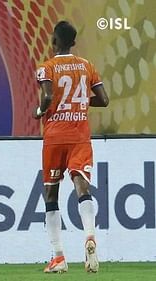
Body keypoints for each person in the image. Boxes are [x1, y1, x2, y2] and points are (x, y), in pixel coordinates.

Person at [33, 21, 109, 273]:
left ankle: (58, 257)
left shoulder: (46, 68)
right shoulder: (87, 66)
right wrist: (79, 103)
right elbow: (104, 100)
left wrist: (41, 111)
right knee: (82, 186)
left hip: (55, 136)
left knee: (51, 195)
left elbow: (46, 96)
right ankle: (89, 235)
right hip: (79, 135)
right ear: (73, 43)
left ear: (53, 42)